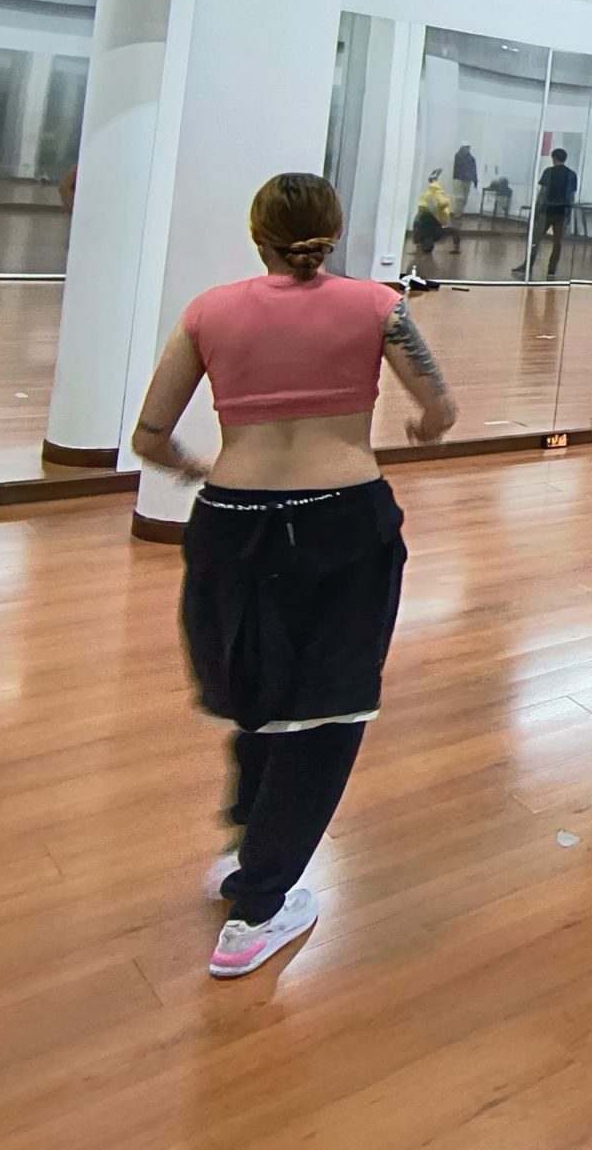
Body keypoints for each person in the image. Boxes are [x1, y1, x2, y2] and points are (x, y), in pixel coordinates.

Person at [130, 172, 457, 981]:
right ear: (334, 232)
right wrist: (421, 424)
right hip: (343, 514)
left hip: (232, 519)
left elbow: (149, 433)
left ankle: (249, 846)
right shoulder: (378, 305)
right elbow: (440, 408)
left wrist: (200, 466)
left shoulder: (210, 310)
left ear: (257, 235)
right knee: (329, 707)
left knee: (257, 689)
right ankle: (259, 907)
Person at [524, 147, 578, 279]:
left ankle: (528, 265)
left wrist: (536, 210)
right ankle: (551, 270)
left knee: (535, 239)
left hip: (547, 210)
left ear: (553, 158)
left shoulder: (548, 172)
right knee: (557, 242)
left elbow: (542, 193)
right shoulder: (572, 174)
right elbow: (571, 196)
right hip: (562, 212)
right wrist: (569, 214)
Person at [408, 169, 452, 266]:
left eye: (426, 244)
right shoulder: (436, 235)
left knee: (434, 198)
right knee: (437, 199)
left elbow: (417, 223)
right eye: (429, 244)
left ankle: (433, 181)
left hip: (429, 213)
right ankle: (433, 181)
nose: (427, 243)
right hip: (433, 214)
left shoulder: (422, 235)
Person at [449, 143, 476, 246]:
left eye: (469, 147)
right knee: (459, 198)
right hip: (459, 180)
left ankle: (459, 214)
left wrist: (474, 180)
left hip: (467, 180)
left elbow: (474, 169)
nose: (468, 149)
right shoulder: (458, 156)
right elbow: (460, 167)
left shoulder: (471, 158)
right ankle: (457, 215)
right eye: (466, 147)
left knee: (465, 199)